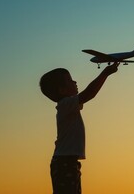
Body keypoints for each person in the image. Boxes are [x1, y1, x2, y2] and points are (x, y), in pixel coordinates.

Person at [39, 62, 119, 194]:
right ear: (62, 90)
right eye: (70, 80)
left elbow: (87, 96)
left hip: (67, 162)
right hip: (65, 162)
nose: (75, 82)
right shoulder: (65, 104)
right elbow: (89, 93)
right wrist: (105, 73)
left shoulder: (68, 106)